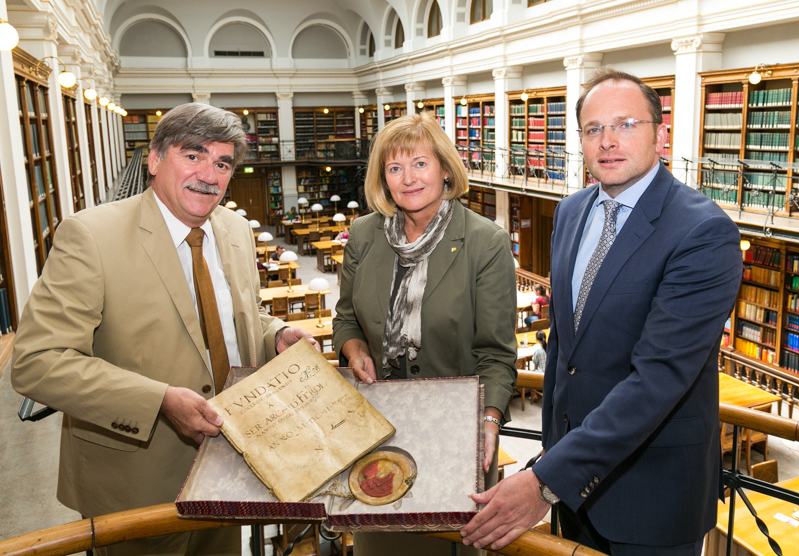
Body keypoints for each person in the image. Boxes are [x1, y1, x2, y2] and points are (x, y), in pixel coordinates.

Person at [11, 103, 320, 556]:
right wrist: (158, 401)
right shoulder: (90, 236)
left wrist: (274, 334)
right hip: (134, 484)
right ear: (154, 159)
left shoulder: (234, 229)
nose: (208, 175)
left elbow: (238, 315)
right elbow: (38, 365)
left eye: (222, 163)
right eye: (192, 155)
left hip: (227, 468)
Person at [461, 68, 742, 555]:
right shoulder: (570, 212)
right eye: (593, 129)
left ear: (661, 132)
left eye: (626, 124)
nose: (608, 142)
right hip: (576, 491)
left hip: (653, 495)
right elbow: (567, 351)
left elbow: (657, 380)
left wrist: (544, 481)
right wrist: (557, 458)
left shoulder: (703, 233)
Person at [333, 111, 517, 555]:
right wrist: (353, 347)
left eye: (419, 163)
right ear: (383, 178)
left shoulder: (484, 241)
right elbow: (345, 317)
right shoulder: (363, 235)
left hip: (456, 430)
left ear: (444, 168)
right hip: (378, 430)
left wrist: (489, 420)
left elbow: (495, 351)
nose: (408, 178)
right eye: (395, 168)